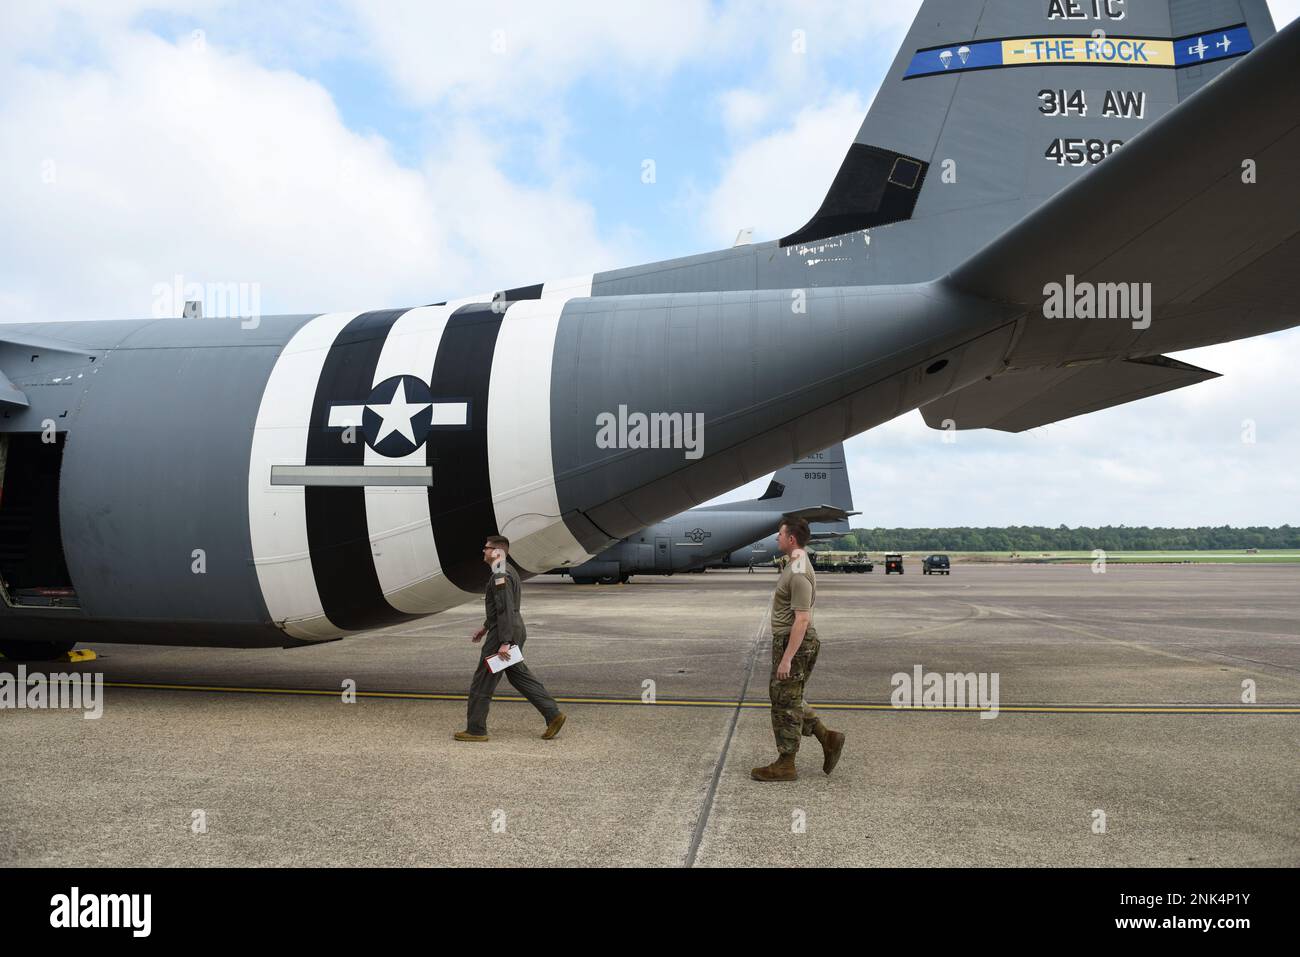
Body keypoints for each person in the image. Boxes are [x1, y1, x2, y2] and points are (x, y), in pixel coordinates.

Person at [751, 515, 846, 782]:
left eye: (780, 535)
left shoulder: (799, 571)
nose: (776, 538)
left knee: (785, 705)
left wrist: (787, 659)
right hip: (790, 642)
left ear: (791, 539)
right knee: (788, 697)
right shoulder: (794, 564)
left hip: (794, 644)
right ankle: (827, 737)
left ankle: (786, 763)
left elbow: (802, 618)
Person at [453, 535, 566, 742]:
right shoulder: (508, 569)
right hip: (510, 628)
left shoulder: (500, 574)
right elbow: (503, 607)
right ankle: (553, 714)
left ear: (497, 552)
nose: (483, 551)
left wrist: (504, 641)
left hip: (504, 633)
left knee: (483, 681)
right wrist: (485, 627)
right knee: (519, 675)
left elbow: (505, 608)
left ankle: (476, 730)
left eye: (486, 548)